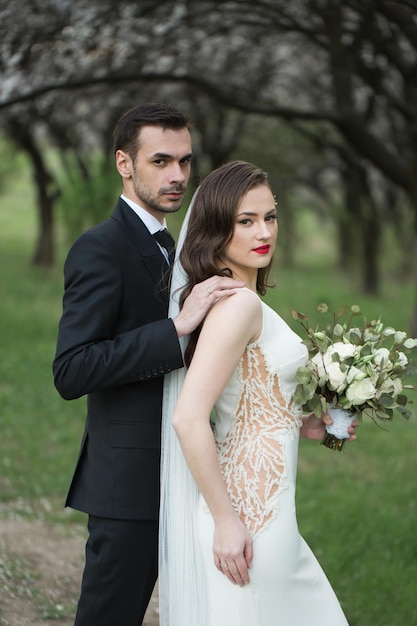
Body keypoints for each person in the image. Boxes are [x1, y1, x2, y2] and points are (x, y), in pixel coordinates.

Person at [52, 103, 243, 626]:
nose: (178, 176)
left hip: (191, 473)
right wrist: (174, 329)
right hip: (129, 484)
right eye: (161, 161)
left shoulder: (182, 251)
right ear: (124, 163)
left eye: (185, 162)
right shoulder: (99, 249)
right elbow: (71, 369)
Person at [159, 160, 357, 625]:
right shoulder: (239, 304)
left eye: (269, 216)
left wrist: (313, 427)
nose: (263, 231)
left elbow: (251, 400)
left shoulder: (244, 301)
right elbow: (189, 418)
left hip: (271, 506)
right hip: (249, 515)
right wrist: (228, 523)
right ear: (217, 229)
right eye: (245, 221)